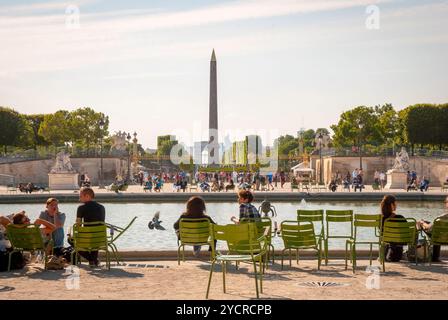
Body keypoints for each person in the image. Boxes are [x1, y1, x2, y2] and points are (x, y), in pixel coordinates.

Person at [75, 187, 105, 267]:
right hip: (99, 237)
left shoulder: (81, 208)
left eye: (80, 196)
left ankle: (91, 259)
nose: (79, 198)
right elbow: (101, 223)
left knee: (70, 240)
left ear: (87, 196)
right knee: (94, 239)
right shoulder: (101, 207)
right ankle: (94, 260)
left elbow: (78, 225)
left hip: (87, 237)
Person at [416, 196, 448, 262]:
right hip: (446, 237)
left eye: (446, 202)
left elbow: (428, 228)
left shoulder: (440, 218)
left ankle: (435, 257)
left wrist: (422, 223)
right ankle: (435, 257)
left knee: (434, 232)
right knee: (437, 230)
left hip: (438, 237)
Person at [380, 195, 406, 262]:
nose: (396, 205)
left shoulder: (381, 219)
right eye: (395, 203)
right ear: (392, 205)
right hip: (399, 247)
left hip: (388, 242)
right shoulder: (400, 218)